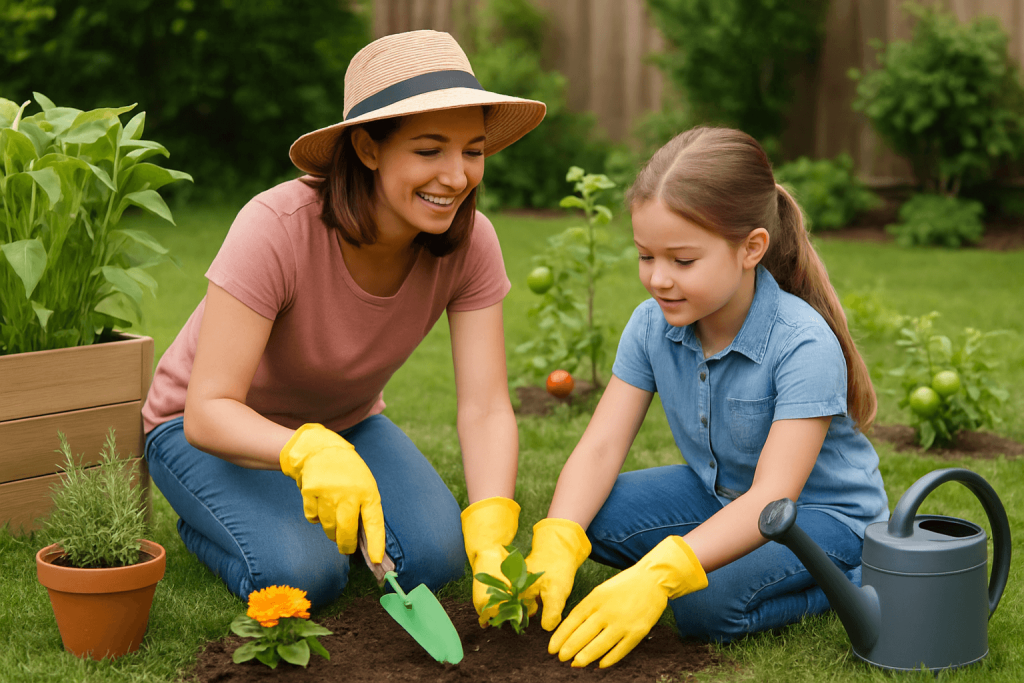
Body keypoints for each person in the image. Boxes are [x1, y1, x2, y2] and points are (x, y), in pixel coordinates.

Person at [141, 30, 546, 620]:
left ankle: (320, 514)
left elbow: (484, 406)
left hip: (344, 424)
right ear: (367, 148)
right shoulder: (277, 227)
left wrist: (491, 528)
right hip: (206, 432)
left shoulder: (471, 243)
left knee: (440, 559)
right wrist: (305, 453)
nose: (456, 177)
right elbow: (208, 409)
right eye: (429, 151)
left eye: (473, 151)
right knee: (306, 576)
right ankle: (212, 527)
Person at [521, 126, 889, 668]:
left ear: (751, 248)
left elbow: (772, 497)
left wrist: (659, 573)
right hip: (720, 496)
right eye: (646, 256)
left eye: (682, 261)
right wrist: (558, 535)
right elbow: (600, 446)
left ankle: (847, 585)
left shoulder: (801, 343)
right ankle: (709, 554)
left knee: (702, 605)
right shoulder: (652, 326)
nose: (658, 279)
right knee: (586, 518)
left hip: (818, 519)